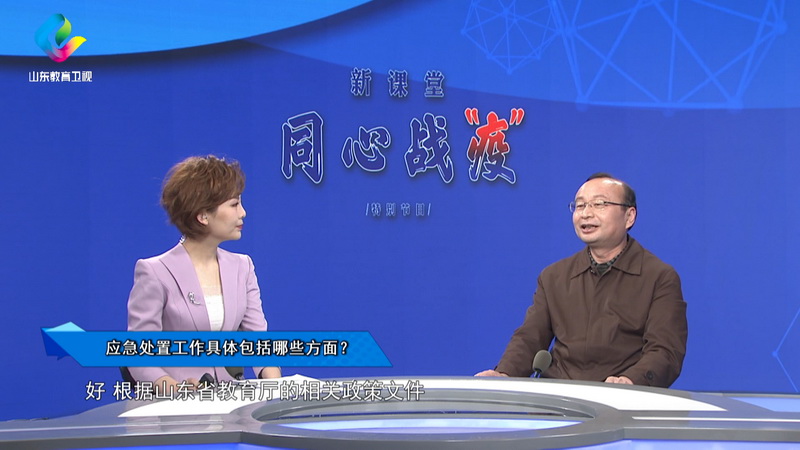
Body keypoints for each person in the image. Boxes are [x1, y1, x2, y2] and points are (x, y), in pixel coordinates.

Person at [476, 173, 687, 387]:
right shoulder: (554, 277)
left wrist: (630, 381)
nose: (586, 214)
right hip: (560, 397)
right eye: (580, 206)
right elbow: (530, 337)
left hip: (621, 398)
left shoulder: (658, 277)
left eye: (599, 204)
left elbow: (665, 351)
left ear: (629, 216)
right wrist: (504, 373)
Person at [127, 155, 281, 392]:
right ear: (203, 216)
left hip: (230, 399)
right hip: (175, 405)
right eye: (234, 205)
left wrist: (276, 387)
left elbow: (259, 343)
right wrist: (178, 390)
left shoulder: (242, 267)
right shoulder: (155, 272)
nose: (243, 213)